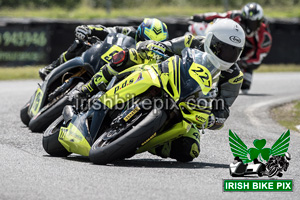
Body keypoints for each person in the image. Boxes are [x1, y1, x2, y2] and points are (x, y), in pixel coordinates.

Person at [78, 18, 245, 162]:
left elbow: (223, 107)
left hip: (190, 108)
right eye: (221, 47)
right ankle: (90, 87)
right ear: (210, 39)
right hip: (167, 80)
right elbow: (166, 46)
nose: (226, 55)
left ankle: (142, 140)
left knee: (189, 150)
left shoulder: (234, 77)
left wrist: (214, 118)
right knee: (130, 55)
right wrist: (152, 46)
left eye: (233, 51)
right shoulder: (192, 42)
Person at [39, 18, 169, 80]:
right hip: (106, 56)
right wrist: (89, 29)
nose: (145, 44)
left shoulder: (159, 55)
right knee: (80, 42)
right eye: (143, 39)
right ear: (139, 34)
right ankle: (52, 67)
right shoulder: (130, 31)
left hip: (122, 73)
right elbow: (108, 30)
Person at [191, 2, 272, 94]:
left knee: (245, 86)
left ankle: (243, 72)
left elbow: (258, 59)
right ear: (243, 18)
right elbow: (219, 16)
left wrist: (243, 63)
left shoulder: (265, 36)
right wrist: (202, 17)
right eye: (247, 22)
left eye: (253, 23)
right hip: (232, 47)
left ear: (259, 23)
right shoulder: (235, 16)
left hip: (247, 56)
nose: (250, 26)